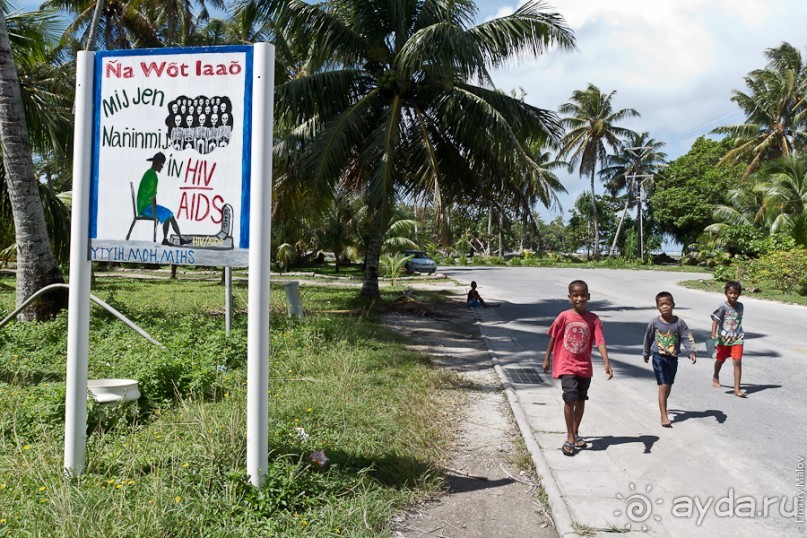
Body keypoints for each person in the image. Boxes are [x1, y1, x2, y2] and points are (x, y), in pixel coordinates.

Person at [542, 280, 613, 456]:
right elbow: (553, 336)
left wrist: (606, 362)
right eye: (576, 295)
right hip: (566, 364)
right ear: (569, 297)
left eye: (583, 295)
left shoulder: (594, 319)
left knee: (581, 399)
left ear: (588, 297)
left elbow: (600, 341)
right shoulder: (564, 316)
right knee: (570, 398)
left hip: (584, 366)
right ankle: (570, 436)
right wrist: (547, 359)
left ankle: (575, 431)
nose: (579, 298)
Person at [642, 291, 697, 427]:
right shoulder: (654, 322)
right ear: (657, 307)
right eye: (662, 304)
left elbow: (686, 337)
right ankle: (663, 414)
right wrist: (646, 352)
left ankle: (662, 404)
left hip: (673, 358)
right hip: (658, 357)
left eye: (668, 303)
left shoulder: (679, 322)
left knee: (669, 386)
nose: (665, 306)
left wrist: (691, 351)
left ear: (673, 305)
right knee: (663, 385)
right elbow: (648, 338)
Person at [135, 152, 190, 246]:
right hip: (145, 208)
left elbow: (152, 196)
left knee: (170, 214)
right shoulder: (152, 176)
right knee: (168, 214)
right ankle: (167, 239)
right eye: (161, 164)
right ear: (156, 163)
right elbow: (152, 196)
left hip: (146, 206)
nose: (162, 167)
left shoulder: (150, 173)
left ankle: (179, 238)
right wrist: (154, 213)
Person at [711, 281, 747, 397]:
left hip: (737, 338)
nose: (733, 295)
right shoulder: (723, 306)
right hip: (723, 339)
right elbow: (716, 320)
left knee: (737, 361)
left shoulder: (741, 306)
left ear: (739, 294)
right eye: (730, 293)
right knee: (720, 359)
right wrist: (713, 335)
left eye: (735, 293)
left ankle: (737, 389)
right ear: (726, 293)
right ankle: (715, 376)